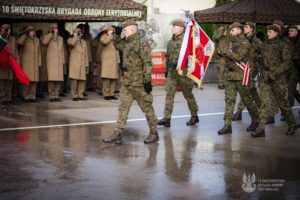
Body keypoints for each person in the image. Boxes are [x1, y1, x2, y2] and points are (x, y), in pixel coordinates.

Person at [102, 20, 159, 145]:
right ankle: (117, 134)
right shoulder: (126, 42)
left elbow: (147, 63)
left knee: (147, 109)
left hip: (139, 84)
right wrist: (116, 34)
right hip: (127, 83)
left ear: (133, 30)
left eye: (125, 30)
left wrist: (147, 81)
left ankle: (154, 133)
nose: (124, 32)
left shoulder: (142, 43)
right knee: (123, 109)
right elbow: (117, 45)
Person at [252, 25, 297, 137]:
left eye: (270, 31)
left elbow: (287, 63)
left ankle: (292, 124)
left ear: (276, 32)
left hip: (278, 79)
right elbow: (263, 58)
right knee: (264, 103)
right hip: (265, 78)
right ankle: (261, 129)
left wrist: (274, 73)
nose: (268, 33)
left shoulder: (282, 45)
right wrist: (259, 57)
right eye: (267, 31)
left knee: (283, 103)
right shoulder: (265, 45)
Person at [217, 22, 258, 135]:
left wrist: (225, 53)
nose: (230, 32)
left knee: (247, 100)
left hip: (241, 75)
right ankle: (227, 125)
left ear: (239, 30)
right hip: (230, 76)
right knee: (229, 100)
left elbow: (239, 57)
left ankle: (256, 120)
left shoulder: (245, 42)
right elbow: (222, 52)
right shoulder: (230, 42)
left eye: (232, 30)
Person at [157, 20, 199, 128]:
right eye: (172, 27)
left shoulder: (187, 41)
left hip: (183, 73)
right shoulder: (170, 42)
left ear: (181, 28)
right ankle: (167, 118)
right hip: (172, 72)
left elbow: (192, 57)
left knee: (187, 94)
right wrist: (166, 70)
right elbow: (168, 57)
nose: (172, 28)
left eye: (174, 27)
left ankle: (194, 115)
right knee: (169, 94)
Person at [232, 22, 262, 121]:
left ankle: (239, 112)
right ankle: (263, 108)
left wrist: (256, 57)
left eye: (246, 27)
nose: (244, 28)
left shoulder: (256, 41)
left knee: (245, 90)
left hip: (251, 69)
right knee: (252, 91)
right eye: (244, 27)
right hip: (242, 67)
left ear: (252, 29)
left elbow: (264, 53)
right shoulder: (242, 39)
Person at [41, 24, 65, 102]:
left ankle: (56, 94)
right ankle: (51, 95)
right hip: (51, 61)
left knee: (58, 79)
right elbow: (44, 42)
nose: (55, 30)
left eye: (56, 28)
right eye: (53, 28)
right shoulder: (47, 37)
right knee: (51, 79)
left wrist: (63, 61)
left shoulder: (61, 38)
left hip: (59, 61)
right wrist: (51, 34)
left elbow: (62, 51)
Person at [18, 26, 41, 103]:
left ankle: (32, 96)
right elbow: (19, 43)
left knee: (34, 81)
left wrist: (39, 62)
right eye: (30, 31)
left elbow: (39, 52)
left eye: (33, 31)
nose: (32, 32)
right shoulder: (24, 39)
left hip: (35, 62)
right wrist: (25, 34)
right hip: (27, 63)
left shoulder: (37, 40)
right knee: (26, 80)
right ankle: (26, 96)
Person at [67, 28, 89, 101]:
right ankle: (74, 95)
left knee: (82, 80)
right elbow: (72, 44)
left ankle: (80, 94)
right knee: (74, 80)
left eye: (80, 32)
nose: (79, 34)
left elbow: (86, 53)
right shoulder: (70, 40)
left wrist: (86, 64)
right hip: (75, 63)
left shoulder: (84, 42)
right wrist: (75, 36)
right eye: (77, 32)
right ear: (73, 33)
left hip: (82, 63)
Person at [99, 25, 119, 100]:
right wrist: (110, 36)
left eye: (113, 31)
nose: (113, 32)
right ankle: (106, 94)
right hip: (107, 61)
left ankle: (112, 93)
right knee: (106, 78)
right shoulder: (103, 37)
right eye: (111, 31)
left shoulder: (113, 38)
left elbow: (118, 45)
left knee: (113, 78)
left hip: (114, 61)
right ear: (107, 31)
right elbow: (105, 42)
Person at [0, 24, 18, 104]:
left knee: (9, 81)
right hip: (2, 63)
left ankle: (8, 97)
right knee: (2, 81)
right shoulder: (0, 38)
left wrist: (17, 61)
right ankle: (2, 98)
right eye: (8, 29)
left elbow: (15, 50)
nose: (10, 31)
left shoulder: (13, 39)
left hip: (11, 62)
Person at [286, 25, 300, 107]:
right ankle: (289, 111)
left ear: (297, 32)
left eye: (292, 31)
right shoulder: (289, 41)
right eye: (289, 31)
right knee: (291, 88)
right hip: (295, 68)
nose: (289, 32)